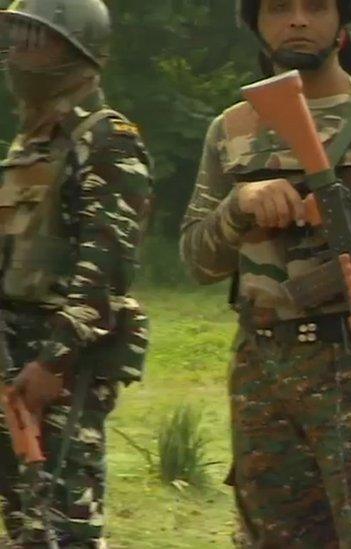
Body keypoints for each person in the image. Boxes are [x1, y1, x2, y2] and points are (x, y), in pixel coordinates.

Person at [179, 0, 351, 546]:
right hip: (263, 373)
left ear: (341, 22)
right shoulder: (229, 131)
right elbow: (197, 260)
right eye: (279, 8)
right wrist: (241, 203)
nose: (298, 20)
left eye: (316, 6)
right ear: (256, 23)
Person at [0, 0, 153, 546]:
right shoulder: (33, 145)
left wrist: (53, 361)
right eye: (13, 38)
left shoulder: (106, 137)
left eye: (31, 40)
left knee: (62, 525)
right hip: (17, 356)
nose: (15, 54)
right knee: (27, 526)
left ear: (74, 50)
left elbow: (105, 270)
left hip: (61, 368)